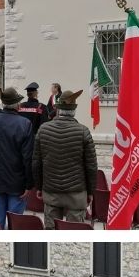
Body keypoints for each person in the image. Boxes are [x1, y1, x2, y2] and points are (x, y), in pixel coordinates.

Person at [32, 89, 97, 227]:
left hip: (51, 192)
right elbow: (91, 166)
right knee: (73, 236)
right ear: (74, 111)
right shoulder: (83, 131)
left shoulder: (43, 129)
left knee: (51, 233)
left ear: (58, 110)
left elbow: (36, 163)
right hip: (76, 194)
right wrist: (90, 192)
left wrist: (39, 186)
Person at [0, 87, 35, 228]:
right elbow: (28, 158)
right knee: (14, 225)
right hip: (17, 184)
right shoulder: (25, 124)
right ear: (17, 104)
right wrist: (29, 184)